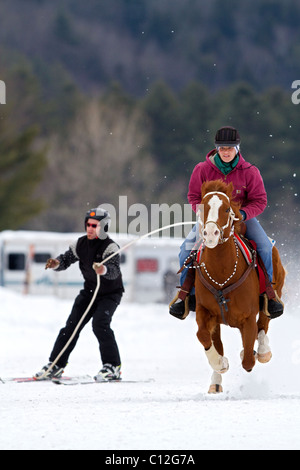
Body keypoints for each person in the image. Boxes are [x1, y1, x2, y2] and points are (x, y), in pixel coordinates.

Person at [169, 126, 284, 320]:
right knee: (185, 250)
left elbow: (260, 200)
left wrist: (243, 213)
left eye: (230, 148)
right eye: (222, 148)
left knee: (265, 247)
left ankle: (268, 296)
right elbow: (193, 196)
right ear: (216, 149)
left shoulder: (249, 171)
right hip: (211, 222)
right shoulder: (202, 169)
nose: (226, 152)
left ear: (237, 148)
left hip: (242, 220)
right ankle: (187, 296)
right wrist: (204, 213)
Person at [35, 207, 124, 382]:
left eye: (95, 226)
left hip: (109, 294)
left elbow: (114, 271)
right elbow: (66, 259)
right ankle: (55, 365)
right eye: (88, 225)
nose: (90, 228)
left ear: (104, 227)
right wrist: (56, 263)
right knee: (71, 326)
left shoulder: (111, 247)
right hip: (89, 292)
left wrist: (103, 269)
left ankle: (112, 366)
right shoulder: (80, 244)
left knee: (100, 325)